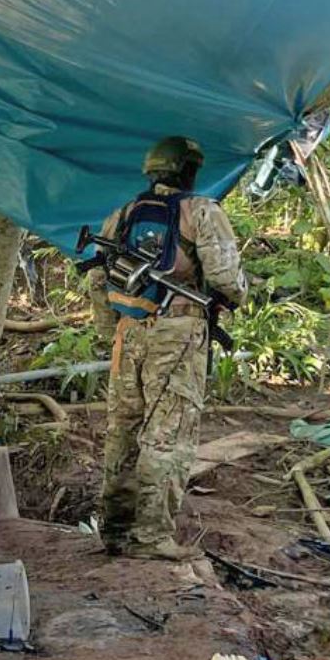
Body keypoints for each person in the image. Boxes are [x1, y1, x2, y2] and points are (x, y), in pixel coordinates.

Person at [92, 136, 247, 559]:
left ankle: (115, 532)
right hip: (178, 333)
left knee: (123, 431)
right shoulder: (201, 212)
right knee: (168, 435)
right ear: (190, 171)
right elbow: (226, 280)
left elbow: (97, 277)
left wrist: (115, 328)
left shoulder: (123, 214)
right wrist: (235, 298)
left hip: (130, 331)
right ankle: (152, 537)